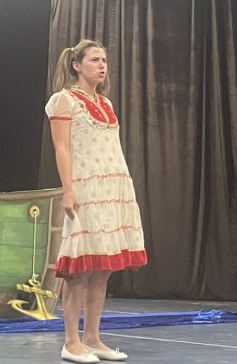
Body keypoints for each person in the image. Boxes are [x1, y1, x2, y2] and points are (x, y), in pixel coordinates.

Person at [45, 39, 147, 363]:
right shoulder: (64, 100)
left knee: (102, 268)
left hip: (111, 189)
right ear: (77, 65)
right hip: (85, 189)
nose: (102, 65)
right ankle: (71, 341)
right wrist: (68, 189)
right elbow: (62, 148)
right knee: (79, 268)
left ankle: (92, 337)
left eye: (104, 60)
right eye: (94, 60)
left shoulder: (106, 103)